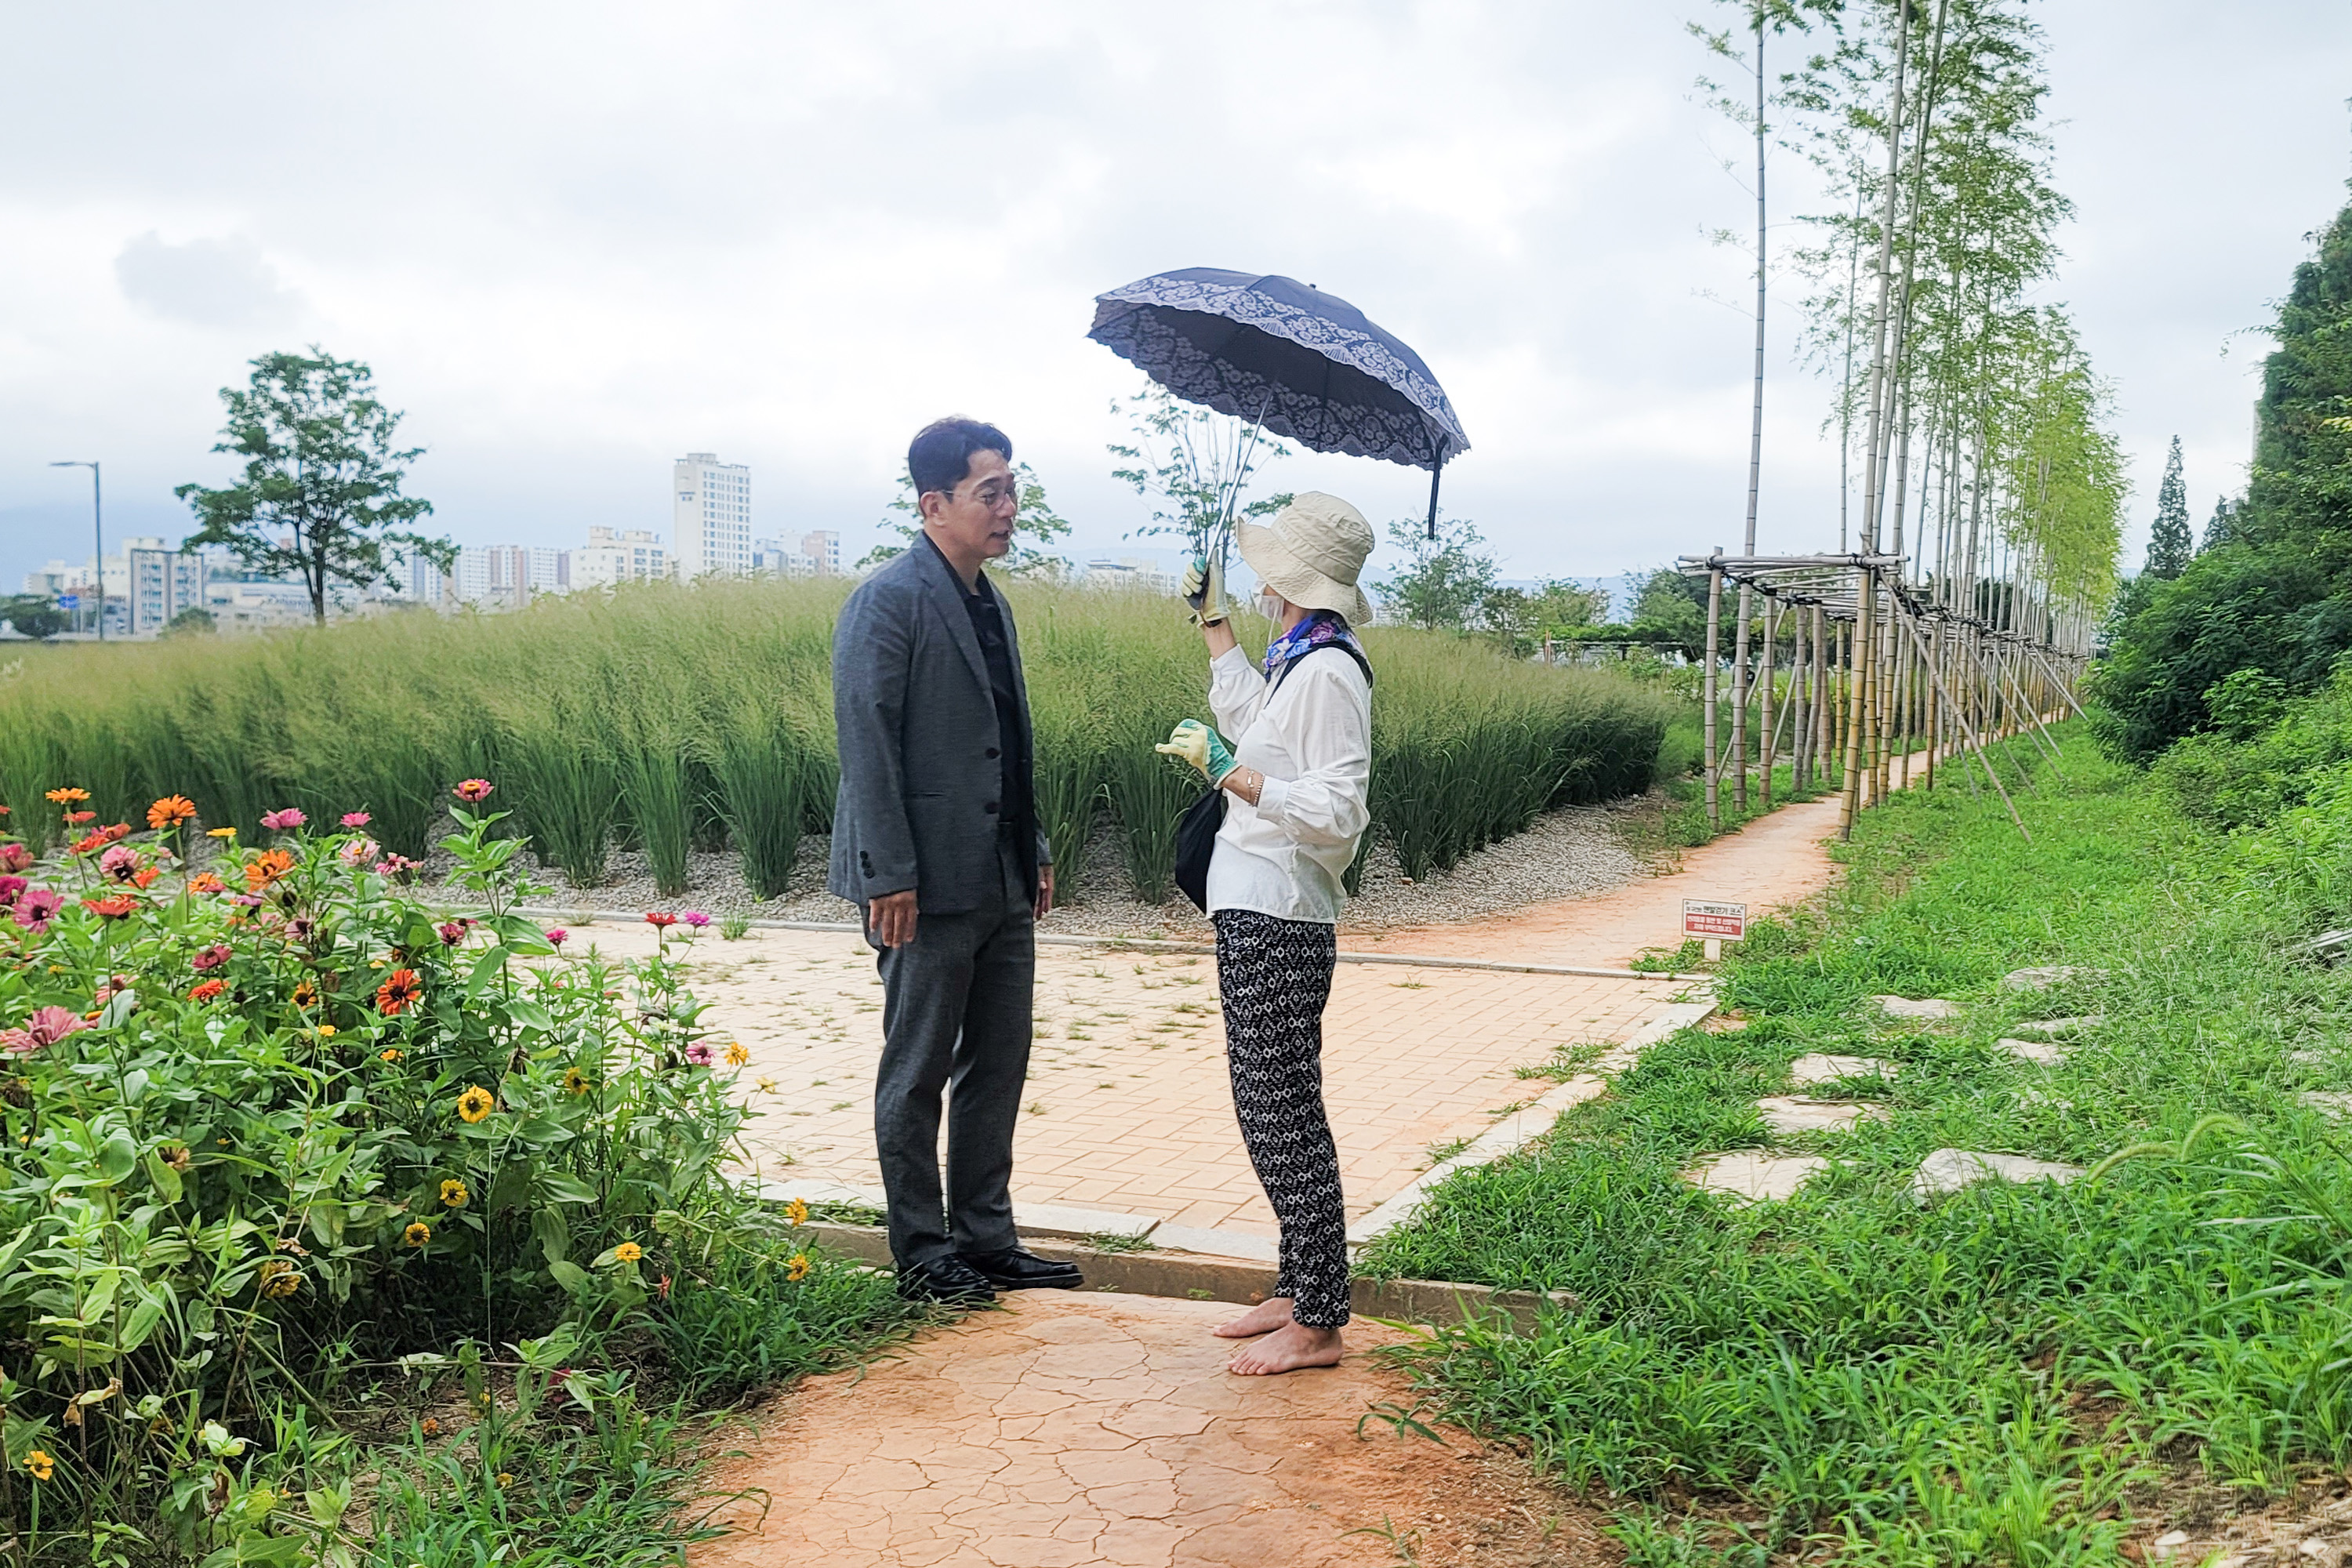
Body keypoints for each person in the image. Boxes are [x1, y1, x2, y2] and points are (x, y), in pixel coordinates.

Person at [829, 416, 1081, 1305]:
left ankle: (985, 1234)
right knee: (919, 1066)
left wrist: (1035, 845)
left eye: (1012, 488)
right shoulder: (887, 599)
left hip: (1003, 873)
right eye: (991, 493)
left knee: (998, 1060)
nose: (1008, 507)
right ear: (934, 504)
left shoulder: (989, 600)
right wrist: (886, 871)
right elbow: (866, 743)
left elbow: (1009, 738)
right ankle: (922, 1248)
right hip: (922, 883)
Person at [1155, 492, 1375, 1374]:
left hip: (1281, 909)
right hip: (1254, 901)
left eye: (1264, 567)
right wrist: (1213, 626)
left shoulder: (1329, 671)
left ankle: (1319, 1317)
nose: (1253, 577)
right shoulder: (1300, 654)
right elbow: (1259, 724)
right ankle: (1297, 1282)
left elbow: (1335, 808)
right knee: (1266, 1103)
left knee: (1282, 1108)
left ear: (1289, 576)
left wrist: (1232, 775)